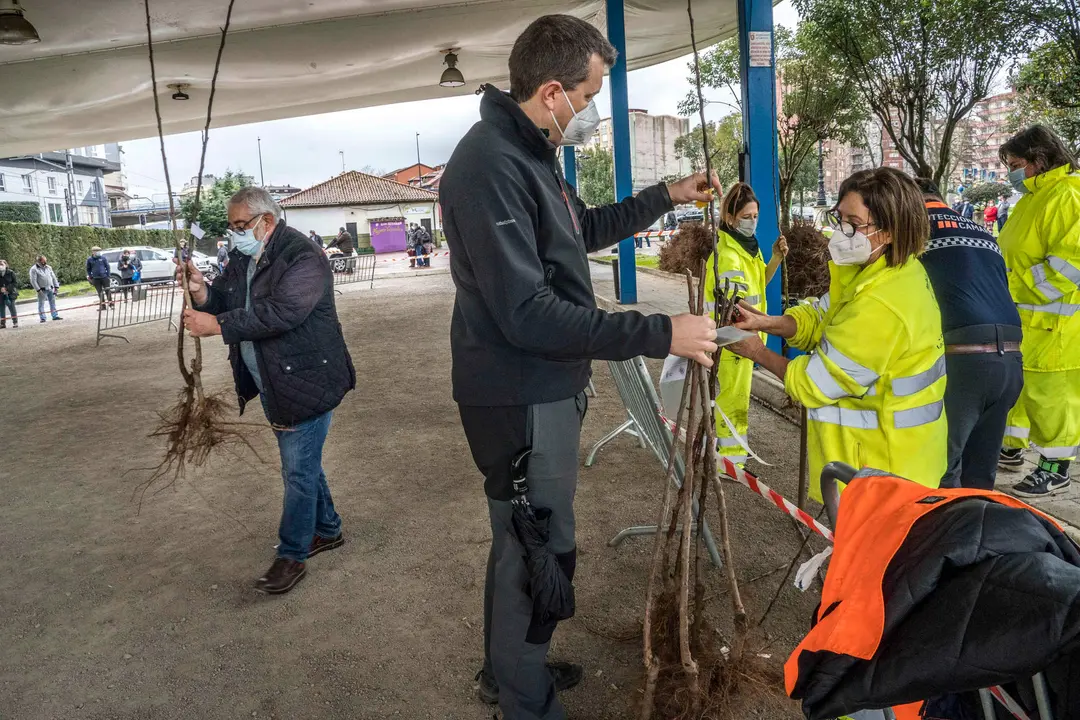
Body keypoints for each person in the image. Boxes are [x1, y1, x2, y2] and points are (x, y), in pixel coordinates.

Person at [440, 15, 719, 720]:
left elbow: (579, 234)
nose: (590, 109)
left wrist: (666, 196)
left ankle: (509, 673)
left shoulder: (532, 153)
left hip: (545, 381)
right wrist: (662, 332)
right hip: (519, 385)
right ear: (555, 88)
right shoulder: (490, 165)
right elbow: (526, 313)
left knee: (520, 539)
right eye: (591, 95)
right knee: (538, 548)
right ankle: (525, 700)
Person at [727, 167, 947, 500]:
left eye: (853, 225)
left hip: (886, 468)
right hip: (879, 459)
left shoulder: (883, 304)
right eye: (839, 218)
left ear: (889, 232)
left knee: (875, 553)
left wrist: (757, 352)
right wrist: (766, 322)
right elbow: (820, 316)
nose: (840, 233)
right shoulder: (875, 274)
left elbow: (814, 384)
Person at [176, 186, 356, 595]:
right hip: (274, 381)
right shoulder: (244, 255)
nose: (234, 233)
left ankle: (292, 554)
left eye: (241, 225)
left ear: (267, 222)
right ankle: (327, 528)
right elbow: (225, 297)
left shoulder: (303, 257)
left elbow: (283, 312)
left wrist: (217, 326)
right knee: (304, 461)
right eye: (231, 225)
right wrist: (202, 290)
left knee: (297, 469)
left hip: (307, 378)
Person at [914, 178, 1023, 490]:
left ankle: (941, 535)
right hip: (1010, 356)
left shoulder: (914, 229)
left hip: (962, 357)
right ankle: (976, 532)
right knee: (980, 473)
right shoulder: (981, 231)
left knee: (941, 468)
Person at [997, 125, 1080, 497]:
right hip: (1028, 317)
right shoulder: (1034, 197)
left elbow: (1069, 265)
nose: (1011, 173)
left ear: (1039, 160)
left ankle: (1055, 467)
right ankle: (1012, 447)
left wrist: (1015, 284)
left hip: (1055, 321)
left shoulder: (1067, 196)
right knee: (1021, 389)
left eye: (1016, 164)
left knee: (1050, 395)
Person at [704, 182, 788, 465]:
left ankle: (730, 457)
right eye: (746, 217)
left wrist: (776, 257)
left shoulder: (747, 249)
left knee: (736, 398)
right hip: (733, 341)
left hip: (744, 338)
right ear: (730, 218)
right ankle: (730, 462)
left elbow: (759, 286)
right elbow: (736, 306)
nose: (753, 222)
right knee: (733, 400)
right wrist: (767, 326)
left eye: (755, 217)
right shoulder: (728, 256)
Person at [29, 255, 62, 323]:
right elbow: (33, 281)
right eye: (44, 260)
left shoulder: (48, 267)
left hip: (50, 288)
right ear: (40, 261)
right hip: (42, 289)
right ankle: (43, 318)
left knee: (52, 303)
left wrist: (56, 286)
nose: (45, 261)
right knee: (41, 304)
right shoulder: (34, 269)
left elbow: (53, 277)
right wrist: (38, 290)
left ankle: (55, 315)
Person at [85, 246, 113, 310]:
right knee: (100, 292)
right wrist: (91, 276)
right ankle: (103, 306)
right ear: (93, 252)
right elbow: (88, 269)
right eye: (97, 251)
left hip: (104, 277)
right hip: (96, 278)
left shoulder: (103, 258)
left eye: (99, 251)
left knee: (107, 291)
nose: (98, 252)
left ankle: (111, 304)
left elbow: (107, 267)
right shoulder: (90, 259)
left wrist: (108, 275)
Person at [0, 259, 19, 329]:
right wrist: (1, 289)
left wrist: (7, 289)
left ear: (5, 265)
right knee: (1, 308)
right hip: (1, 294)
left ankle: (15, 322)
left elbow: (15, 283)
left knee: (12, 307)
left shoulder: (11, 272)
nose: (0, 266)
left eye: (2, 264)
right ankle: (2, 324)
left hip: (11, 293)